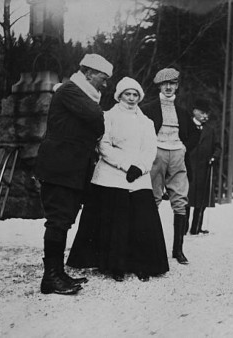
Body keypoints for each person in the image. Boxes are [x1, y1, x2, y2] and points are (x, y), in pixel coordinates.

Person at [66, 77, 169, 282]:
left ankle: (140, 264)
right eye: (127, 94)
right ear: (119, 95)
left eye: (135, 95)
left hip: (138, 176)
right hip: (111, 175)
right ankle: (115, 265)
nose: (131, 98)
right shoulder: (108, 116)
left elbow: (150, 149)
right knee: (115, 222)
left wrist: (139, 167)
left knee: (141, 222)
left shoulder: (146, 122)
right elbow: (103, 146)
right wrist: (124, 165)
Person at [35, 53, 113, 295]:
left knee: (64, 220)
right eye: (103, 77)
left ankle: (57, 272)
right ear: (88, 72)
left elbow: (96, 121)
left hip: (70, 169)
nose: (106, 83)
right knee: (58, 220)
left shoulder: (80, 93)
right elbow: (96, 117)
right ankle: (50, 278)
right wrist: (98, 122)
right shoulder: (69, 90)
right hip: (60, 168)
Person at [140, 68, 197, 264]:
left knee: (180, 200)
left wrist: (183, 148)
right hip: (156, 155)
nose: (169, 87)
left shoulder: (182, 112)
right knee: (152, 199)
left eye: (172, 83)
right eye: (165, 84)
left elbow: (194, 135)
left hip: (178, 156)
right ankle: (150, 248)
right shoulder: (148, 108)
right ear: (159, 86)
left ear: (177, 86)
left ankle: (178, 250)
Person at [186, 99, 222, 235]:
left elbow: (218, 147)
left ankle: (196, 228)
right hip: (188, 169)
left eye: (207, 114)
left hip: (204, 170)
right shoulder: (186, 126)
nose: (205, 116)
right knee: (186, 200)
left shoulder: (210, 130)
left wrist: (214, 156)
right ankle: (183, 228)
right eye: (202, 113)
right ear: (195, 111)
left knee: (201, 201)